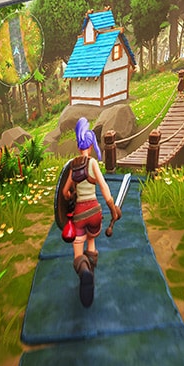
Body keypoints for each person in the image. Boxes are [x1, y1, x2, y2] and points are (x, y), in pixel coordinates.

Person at [57, 117, 121, 307]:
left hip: (79, 214)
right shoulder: (93, 164)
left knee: (78, 252)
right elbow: (103, 187)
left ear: (79, 147)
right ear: (91, 147)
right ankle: (90, 275)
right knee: (91, 242)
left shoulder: (74, 165)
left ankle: (84, 271)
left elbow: (64, 192)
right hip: (95, 211)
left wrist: (71, 197)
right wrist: (112, 208)